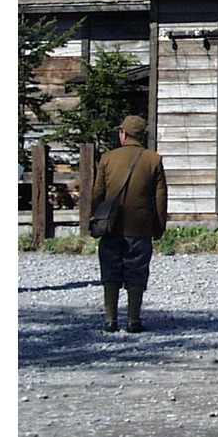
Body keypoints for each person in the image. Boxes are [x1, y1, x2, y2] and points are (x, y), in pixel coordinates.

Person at [91, 115, 167, 333]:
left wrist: (94, 220)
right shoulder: (154, 160)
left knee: (110, 271)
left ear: (123, 134)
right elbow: (160, 198)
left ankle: (110, 320)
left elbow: (97, 194)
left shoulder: (107, 158)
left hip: (111, 226)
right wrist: (159, 226)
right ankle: (134, 320)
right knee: (136, 272)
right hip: (141, 228)